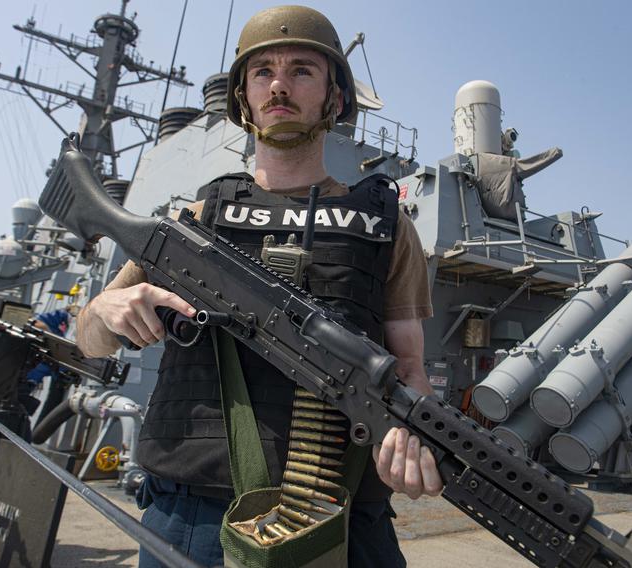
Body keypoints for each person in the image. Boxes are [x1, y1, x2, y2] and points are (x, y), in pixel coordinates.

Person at [76, 6, 442, 566]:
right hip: (193, 514)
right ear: (244, 97)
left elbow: (410, 369)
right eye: (262, 72)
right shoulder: (195, 220)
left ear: (334, 98)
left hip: (340, 514)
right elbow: (88, 341)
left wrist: (413, 436)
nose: (279, 85)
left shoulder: (387, 225)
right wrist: (106, 308)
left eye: (301, 70)